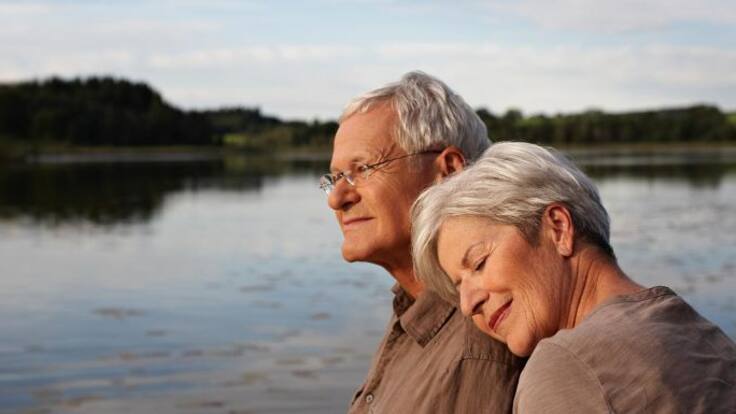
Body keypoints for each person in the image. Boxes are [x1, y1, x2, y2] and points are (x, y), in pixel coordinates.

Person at [411, 141, 736, 413]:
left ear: (558, 228)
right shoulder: (702, 335)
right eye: (458, 286)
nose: (467, 305)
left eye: (479, 263)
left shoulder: (565, 367)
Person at [321, 72, 524, 413]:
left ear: (449, 171)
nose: (336, 199)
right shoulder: (414, 307)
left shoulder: (479, 342)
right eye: (336, 177)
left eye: (363, 169)